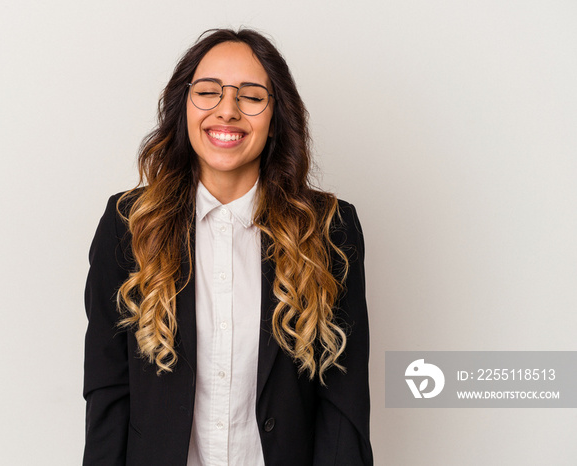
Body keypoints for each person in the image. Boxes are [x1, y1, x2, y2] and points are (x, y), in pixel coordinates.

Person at [83, 28, 373, 466]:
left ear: (276, 115)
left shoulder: (329, 229)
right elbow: (108, 390)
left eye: (252, 96)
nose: (228, 111)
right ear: (184, 105)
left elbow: (343, 403)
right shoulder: (129, 225)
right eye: (208, 92)